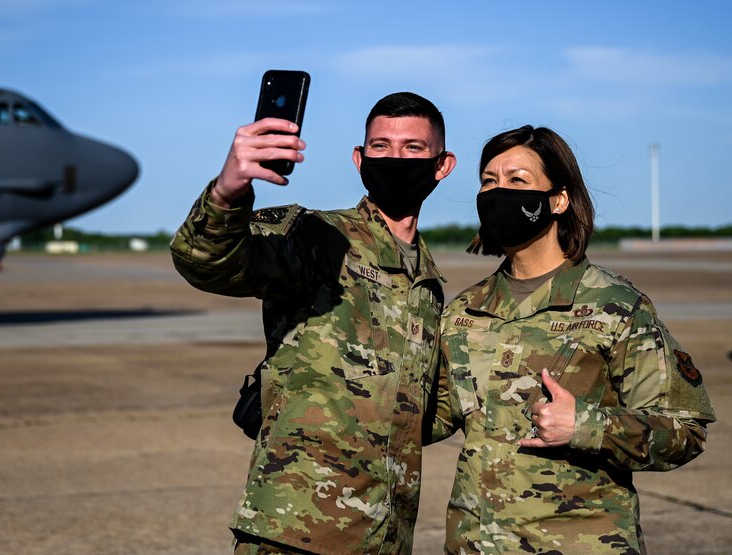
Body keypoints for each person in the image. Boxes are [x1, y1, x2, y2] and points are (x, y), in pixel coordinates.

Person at [170, 92, 456, 554]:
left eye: (413, 148)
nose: (395, 158)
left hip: (384, 536)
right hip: (294, 531)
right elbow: (211, 262)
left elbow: (424, 409)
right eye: (380, 147)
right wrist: (228, 191)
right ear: (359, 160)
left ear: (442, 165)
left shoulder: (427, 282)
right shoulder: (318, 238)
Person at [430, 125, 716, 553]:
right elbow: (433, 416)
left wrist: (587, 425)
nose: (498, 192)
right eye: (489, 181)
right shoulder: (464, 312)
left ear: (559, 199)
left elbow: (684, 430)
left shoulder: (616, 305)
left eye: (517, 180)